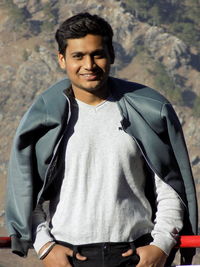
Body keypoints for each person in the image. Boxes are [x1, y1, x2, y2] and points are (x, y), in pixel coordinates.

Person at [6, 12, 197, 267]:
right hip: (69, 258)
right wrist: (45, 247)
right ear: (62, 59)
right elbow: (29, 191)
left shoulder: (148, 111)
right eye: (78, 56)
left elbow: (169, 187)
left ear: (112, 56)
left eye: (97, 54)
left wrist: (160, 246)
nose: (89, 65)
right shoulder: (45, 118)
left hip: (137, 255)